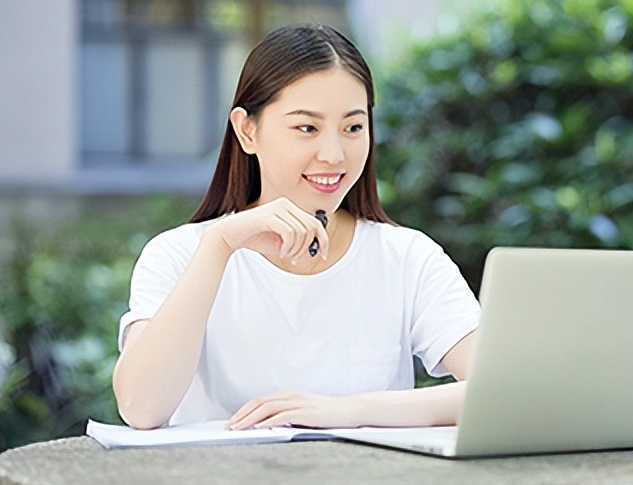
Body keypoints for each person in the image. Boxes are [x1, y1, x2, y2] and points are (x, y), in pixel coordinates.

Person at [113, 24, 480, 430]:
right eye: (307, 128)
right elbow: (140, 408)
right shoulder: (179, 254)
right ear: (247, 130)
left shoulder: (408, 258)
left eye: (353, 128)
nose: (333, 153)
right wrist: (220, 244)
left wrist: (352, 412)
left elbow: (501, 390)